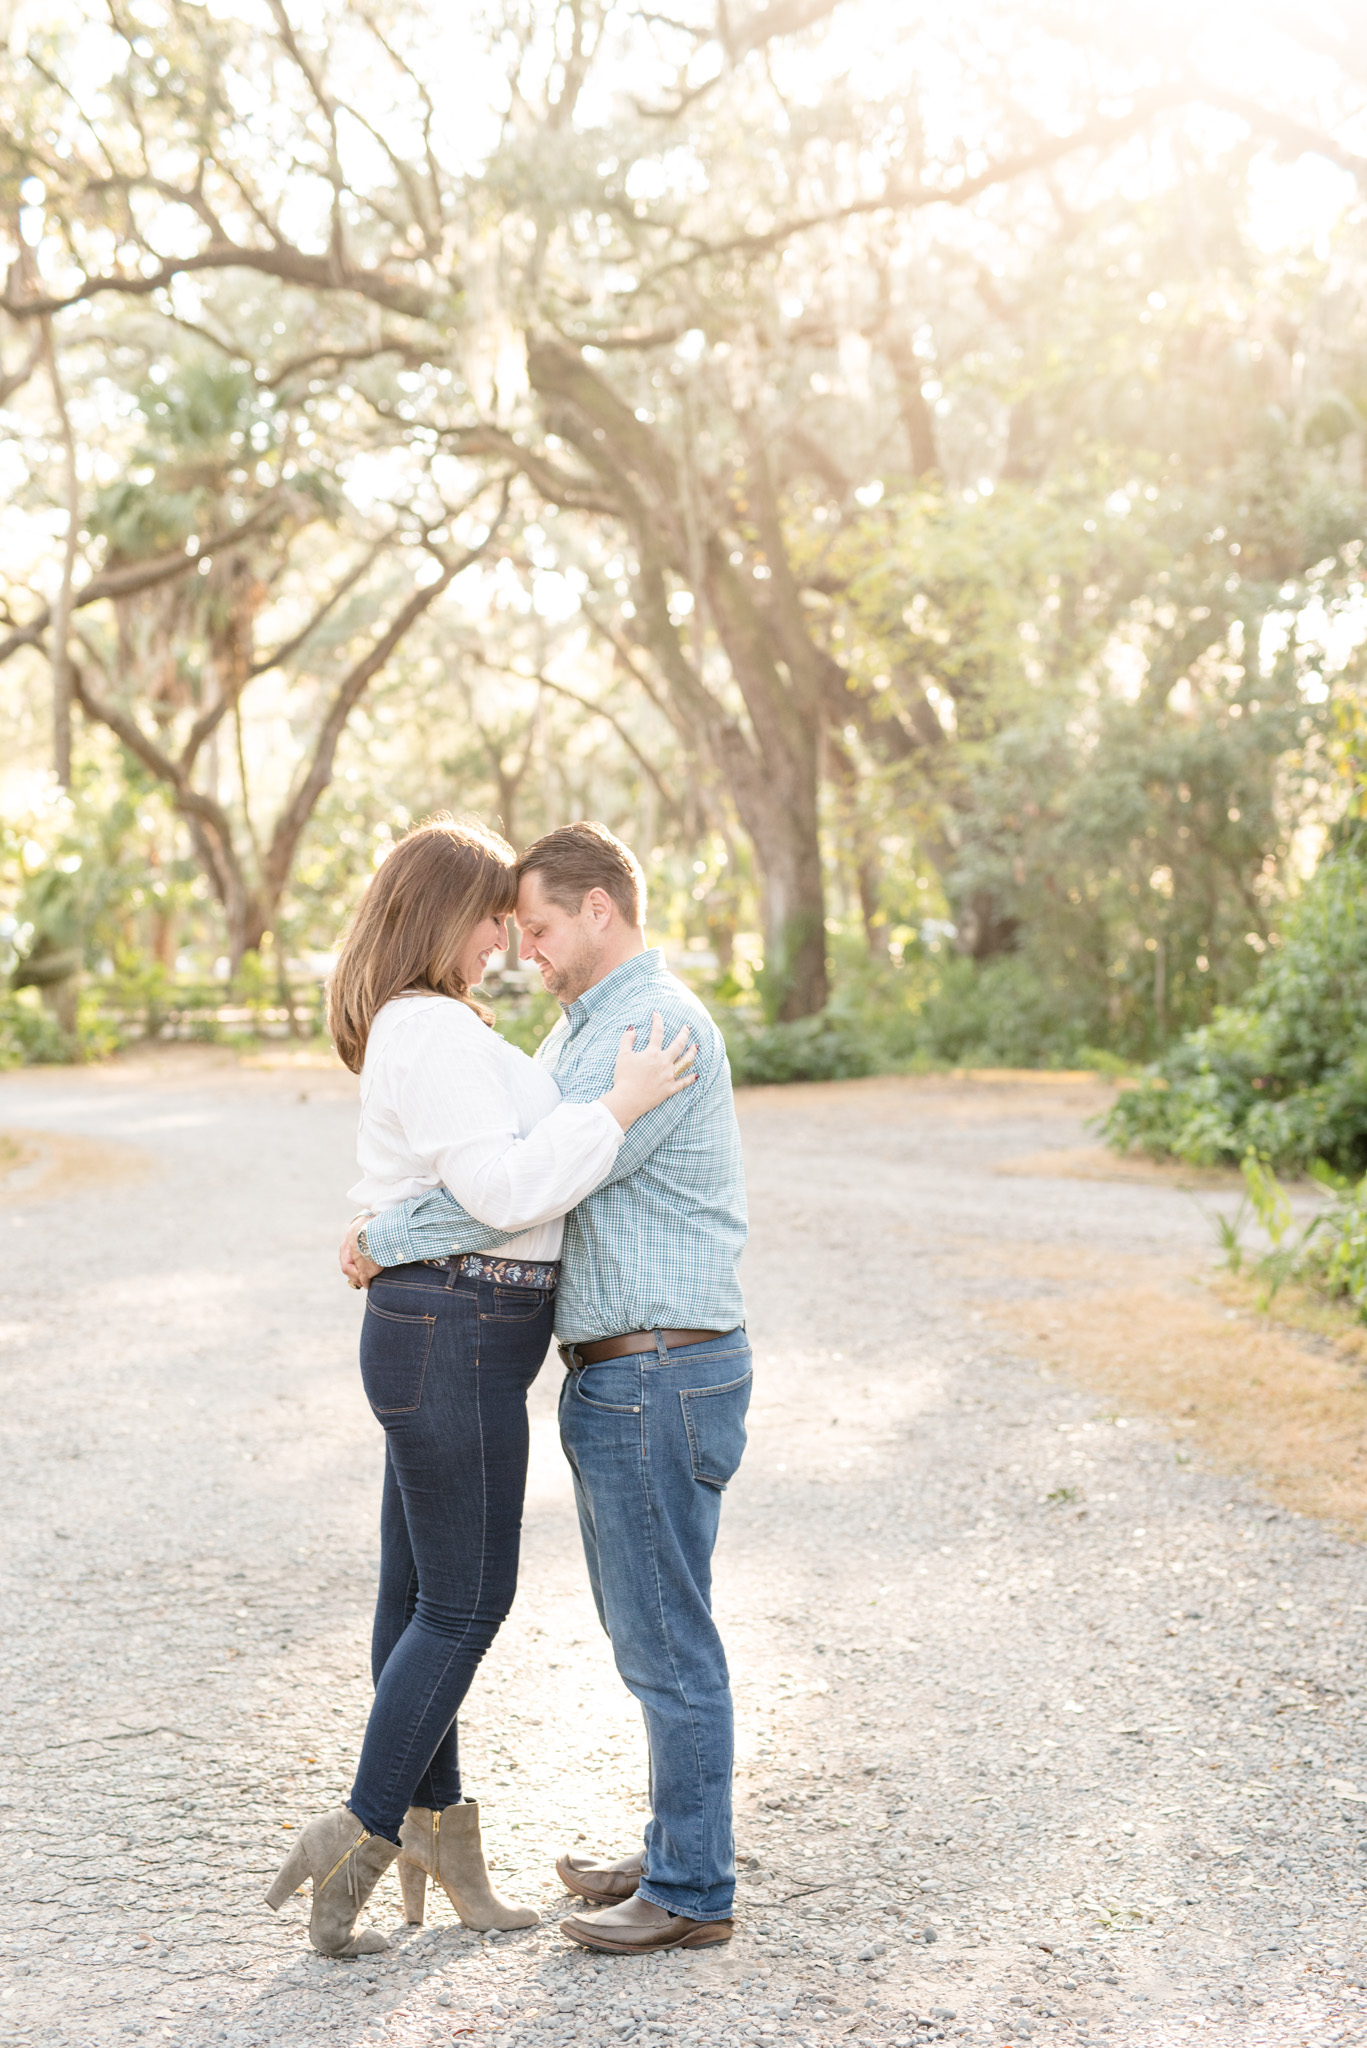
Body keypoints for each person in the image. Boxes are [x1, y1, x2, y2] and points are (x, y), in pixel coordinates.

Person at [266, 815, 695, 1959]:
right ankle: (362, 1830)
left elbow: (477, 1178)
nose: (509, 931)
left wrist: (385, 1229)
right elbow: (506, 1186)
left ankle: (440, 1838)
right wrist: (619, 1103)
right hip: (454, 1325)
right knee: (464, 1601)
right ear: (442, 911)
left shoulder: (438, 1028)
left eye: (524, 914)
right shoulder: (436, 1034)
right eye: (495, 911)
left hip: (447, 1324)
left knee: (417, 1595)